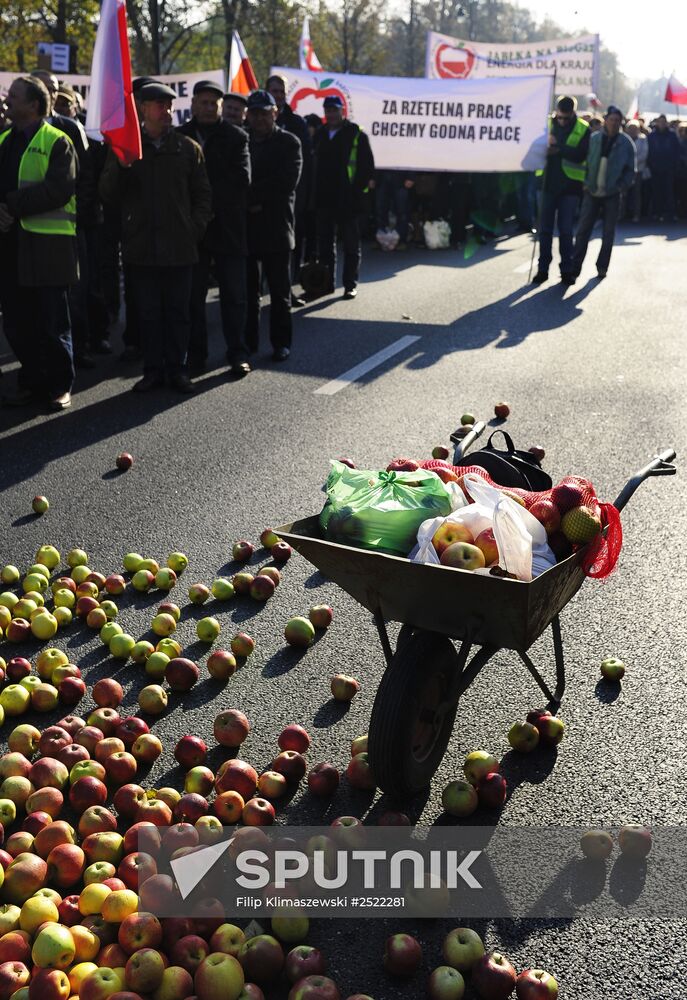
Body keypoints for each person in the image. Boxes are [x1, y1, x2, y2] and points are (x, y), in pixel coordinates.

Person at [99, 82, 213, 393]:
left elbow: (203, 196)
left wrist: (194, 228)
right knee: (148, 315)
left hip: (180, 248)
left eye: (170, 105)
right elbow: (108, 194)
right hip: (141, 248)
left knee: (179, 314)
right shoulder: (127, 149)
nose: (167, 112)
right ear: (143, 109)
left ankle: (177, 369)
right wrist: (123, 167)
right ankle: (152, 370)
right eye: (160, 105)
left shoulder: (188, 149)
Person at [0, 75, 77, 410]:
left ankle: (60, 385)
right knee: (17, 321)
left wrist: (11, 206)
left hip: (48, 248)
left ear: (33, 104)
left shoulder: (58, 141)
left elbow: (59, 190)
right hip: (11, 247)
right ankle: (31, 380)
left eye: (14, 96)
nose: (8, 100)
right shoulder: (3, 139)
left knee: (51, 322)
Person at [177, 79, 252, 379]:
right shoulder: (179, 137)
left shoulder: (236, 137)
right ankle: (196, 356)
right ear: (193, 104)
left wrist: (207, 208)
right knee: (192, 298)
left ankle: (237, 353)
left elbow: (241, 181)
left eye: (214, 103)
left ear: (221, 107)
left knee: (234, 296)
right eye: (203, 102)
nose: (208, 108)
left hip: (227, 228)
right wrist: (194, 215)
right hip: (191, 231)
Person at [32, 69, 101, 366]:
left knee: (76, 292)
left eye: (54, 89)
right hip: (30, 231)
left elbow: (86, 176)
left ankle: (80, 347)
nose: (50, 94)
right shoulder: (16, 131)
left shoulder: (71, 128)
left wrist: (79, 215)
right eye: (44, 88)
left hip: (71, 227)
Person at [245, 90, 302, 361]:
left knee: (279, 294)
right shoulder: (241, 141)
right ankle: (248, 343)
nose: (259, 118)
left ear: (274, 113)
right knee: (248, 294)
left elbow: (285, 183)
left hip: (277, 229)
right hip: (247, 229)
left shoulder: (289, 143)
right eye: (254, 113)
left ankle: (281, 342)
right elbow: (235, 181)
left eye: (264, 113)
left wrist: (255, 199)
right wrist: (248, 201)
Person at [312, 95, 374, 299]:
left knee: (350, 245)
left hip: (348, 201)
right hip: (324, 199)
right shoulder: (320, 134)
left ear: (342, 111)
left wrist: (356, 192)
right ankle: (326, 284)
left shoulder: (356, 133)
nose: (331, 114)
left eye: (334, 110)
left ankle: (350, 284)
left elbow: (366, 167)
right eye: (328, 110)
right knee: (325, 246)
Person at [571, 105, 636, 282]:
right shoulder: (593, 139)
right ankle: (574, 267)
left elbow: (631, 170)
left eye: (617, 120)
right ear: (605, 120)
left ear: (621, 122)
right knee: (583, 231)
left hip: (612, 193)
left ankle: (602, 266)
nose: (614, 123)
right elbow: (582, 161)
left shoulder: (626, 143)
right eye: (611, 119)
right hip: (591, 191)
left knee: (608, 234)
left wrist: (621, 186)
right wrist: (584, 182)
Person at [532, 95, 589, 286]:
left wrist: (559, 148)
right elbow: (531, 149)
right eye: (560, 117)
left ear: (573, 112)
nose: (562, 121)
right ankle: (542, 270)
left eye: (566, 117)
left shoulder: (583, 128)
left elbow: (581, 154)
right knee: (545, 231)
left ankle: (566, 270)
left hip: (570, 187)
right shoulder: (544, 124)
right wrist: (544, 148)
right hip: (546, 185)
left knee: (565, 231)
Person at [647, 114, 680, 220]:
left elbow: (676, 151)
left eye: (663, 122)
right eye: (659, 122)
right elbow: (649, 151)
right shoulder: (652, 136)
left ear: (666, 123)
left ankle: (671, 213)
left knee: (669, 191)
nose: (661, 124)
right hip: (655, 168)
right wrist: (651, 164)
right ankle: (657, 212)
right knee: (657, 191)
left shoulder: (672, 135)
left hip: (669, 168)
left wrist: (674, 165)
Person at [625, 120, 649, 221]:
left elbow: (644, 154)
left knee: (636, 193)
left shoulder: (643, 139)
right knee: (623, 193)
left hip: (638, 170)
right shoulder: (624, 139)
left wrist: (633, 162)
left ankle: (636, 214)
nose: (633, 130)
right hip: (625, 170)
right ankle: (622, 214)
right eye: (631, 128)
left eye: (635, 128)